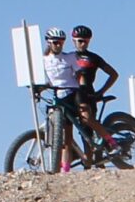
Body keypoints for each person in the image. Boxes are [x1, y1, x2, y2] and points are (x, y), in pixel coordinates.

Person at [68, 26, 119, 158]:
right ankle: (71, 168)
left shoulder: (93, 58)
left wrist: (102, 91)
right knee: (73, 130)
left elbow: (113, 74)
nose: (83, 44)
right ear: (73, 40)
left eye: (86, 41)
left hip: (88, 95)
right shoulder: (68, 57)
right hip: (71, 95)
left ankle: (112, 143)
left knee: (87, 126)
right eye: (80, 41)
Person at [39, 26, 83, 169]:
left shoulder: (69, 57)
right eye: (55, 42)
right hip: (56, 96)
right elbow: (47, 80)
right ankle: (61, 165)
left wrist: (83, 88)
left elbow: (80, 75)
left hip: (71, 94)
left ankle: (65, 168)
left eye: (61, 42)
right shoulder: (44, 60)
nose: (58, 45)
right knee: (59, 135)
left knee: (68, 135)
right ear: (49, 43)